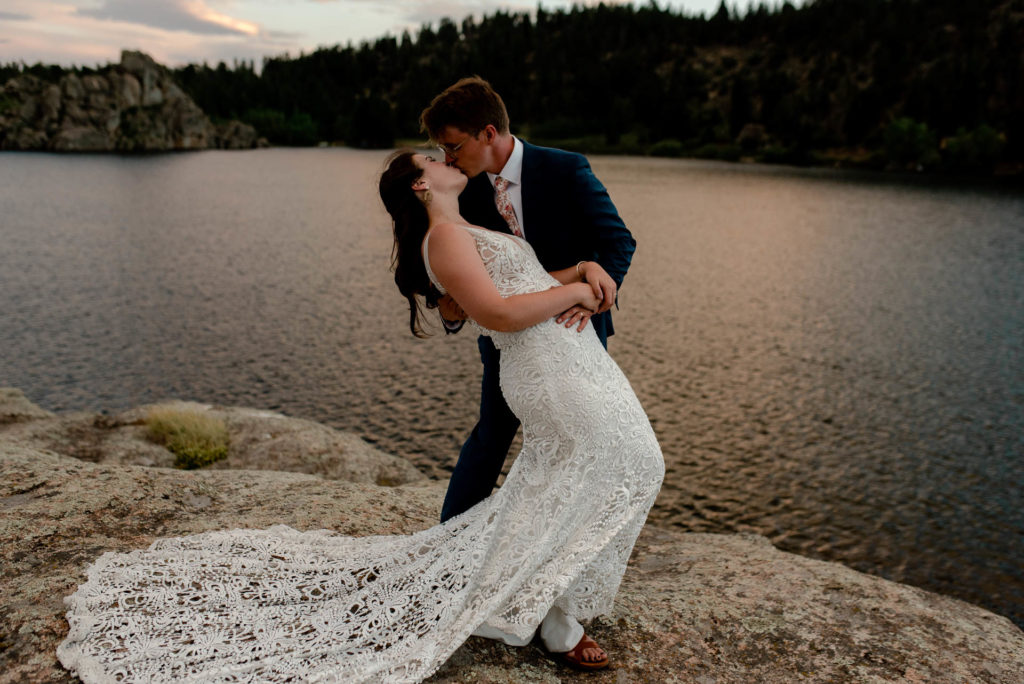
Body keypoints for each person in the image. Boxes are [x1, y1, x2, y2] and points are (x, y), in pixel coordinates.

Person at [55, 152, 662, 684]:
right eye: (433, 159)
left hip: (569, 358)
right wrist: (579, 294)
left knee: (573, 476)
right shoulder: (445, 238)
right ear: (422, 187)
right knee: (631, 463)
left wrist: (580, 272)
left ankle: (545, 606)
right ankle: (550, 613)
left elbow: (520, 284)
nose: (445, 159)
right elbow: (498, 314)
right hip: (546, 367)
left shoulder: (460, 225)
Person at [418, 77, 637, 525]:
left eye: (454, 146)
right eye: (441, 151)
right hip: (508, 338)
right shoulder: (463, 189)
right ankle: (450, 536)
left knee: (585, 436)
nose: (448, 159)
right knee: (492, 436)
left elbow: (618, 241)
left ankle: (572, 541)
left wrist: (594, 297)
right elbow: (444, 256)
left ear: (489, 134)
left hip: (576, 332)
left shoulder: (566, 169)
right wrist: (447, 304)